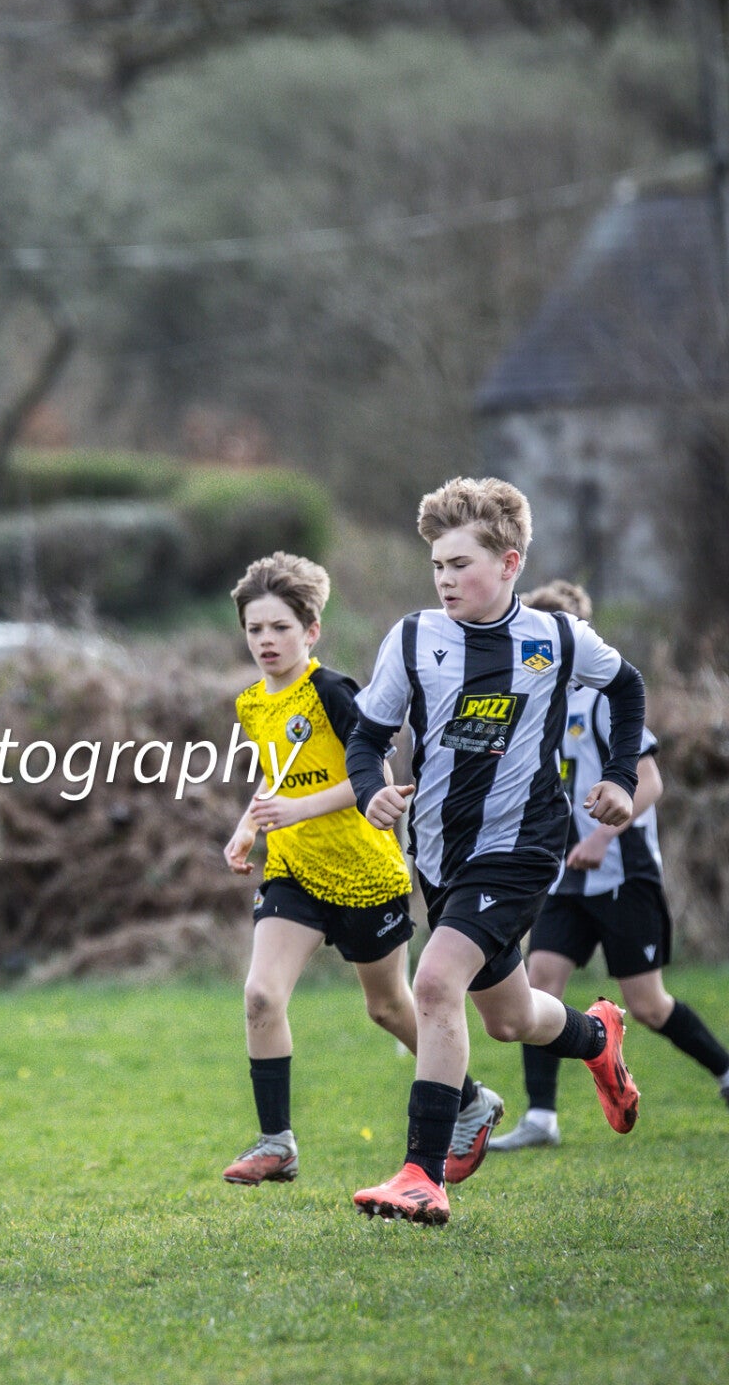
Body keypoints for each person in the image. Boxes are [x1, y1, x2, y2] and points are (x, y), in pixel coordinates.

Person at [343, 478, 644, 1225]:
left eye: (460, 564)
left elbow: (627, 687)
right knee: (509, 1020)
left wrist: (619, 777)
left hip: (522, 848)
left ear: (510, 564)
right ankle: (596, 1035)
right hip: (440, 857)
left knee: (436, 984)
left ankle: (422, 1171)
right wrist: (369, 791)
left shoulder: (556, 638)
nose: (444, 579)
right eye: (437, 566)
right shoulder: (413, 638)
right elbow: (369, 737)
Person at [218, 553, 509, 1186]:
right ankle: (277, 1142)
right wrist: (248, 828)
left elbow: (371, 775)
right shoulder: (250, 704)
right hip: (293, 872)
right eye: (255, 630)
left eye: (280, 629)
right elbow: (276, 778)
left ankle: (469, 1100)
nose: (266, 641)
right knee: (261, 995)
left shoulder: (333, 691)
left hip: (365, 876)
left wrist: (294, 806)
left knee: (387, 1009)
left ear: (311, 631)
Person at [490, 579, 729, 1151]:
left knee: (647, 1004)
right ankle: (542, 1118)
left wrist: (600, 837)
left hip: (622, 875)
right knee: (538, 983)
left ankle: (724, 1070)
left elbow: (649, 782)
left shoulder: (601, 701)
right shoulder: (530, 708)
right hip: (564, 879)